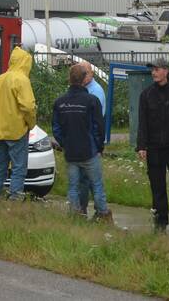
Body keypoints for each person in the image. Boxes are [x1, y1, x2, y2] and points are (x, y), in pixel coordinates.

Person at [135, 62, 169, 232]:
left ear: (166, 71)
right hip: (154, 148)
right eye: (152, 70)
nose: (154, 73)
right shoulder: (146, 95)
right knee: (157, 187)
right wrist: (141, 146)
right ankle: (160, 223)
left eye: (157, 69)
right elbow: (142, 123)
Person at [52, 63, 112, 221]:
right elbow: (99, 127)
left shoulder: (60, 102)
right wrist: (99, 147)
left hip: (71, 152)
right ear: (84, 78)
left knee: (73, 186)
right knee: (97, 185)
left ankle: (75, 215)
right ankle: (104, 215)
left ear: (70, 79)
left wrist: (65, 143)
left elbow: (56, 128)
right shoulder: (92, 101)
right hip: (89, 151)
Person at [0, 46, 37, 200]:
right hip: (16, 130)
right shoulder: (21, 79)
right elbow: (28, 106)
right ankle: (15, 197)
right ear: (25, 62)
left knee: (0, 166)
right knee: (19, 167)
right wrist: (31, 123)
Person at [75, 61, 106, 215]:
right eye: (80, 73)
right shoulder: (82, 90)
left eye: (85, 73)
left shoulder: (95, 92)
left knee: (88, 180)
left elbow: (97, 121)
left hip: (90, 142)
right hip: (82, 141)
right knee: (87, 179)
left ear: (91, 74)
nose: (83, 76)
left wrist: (98, 145)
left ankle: (92, 211)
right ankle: (97, 210)